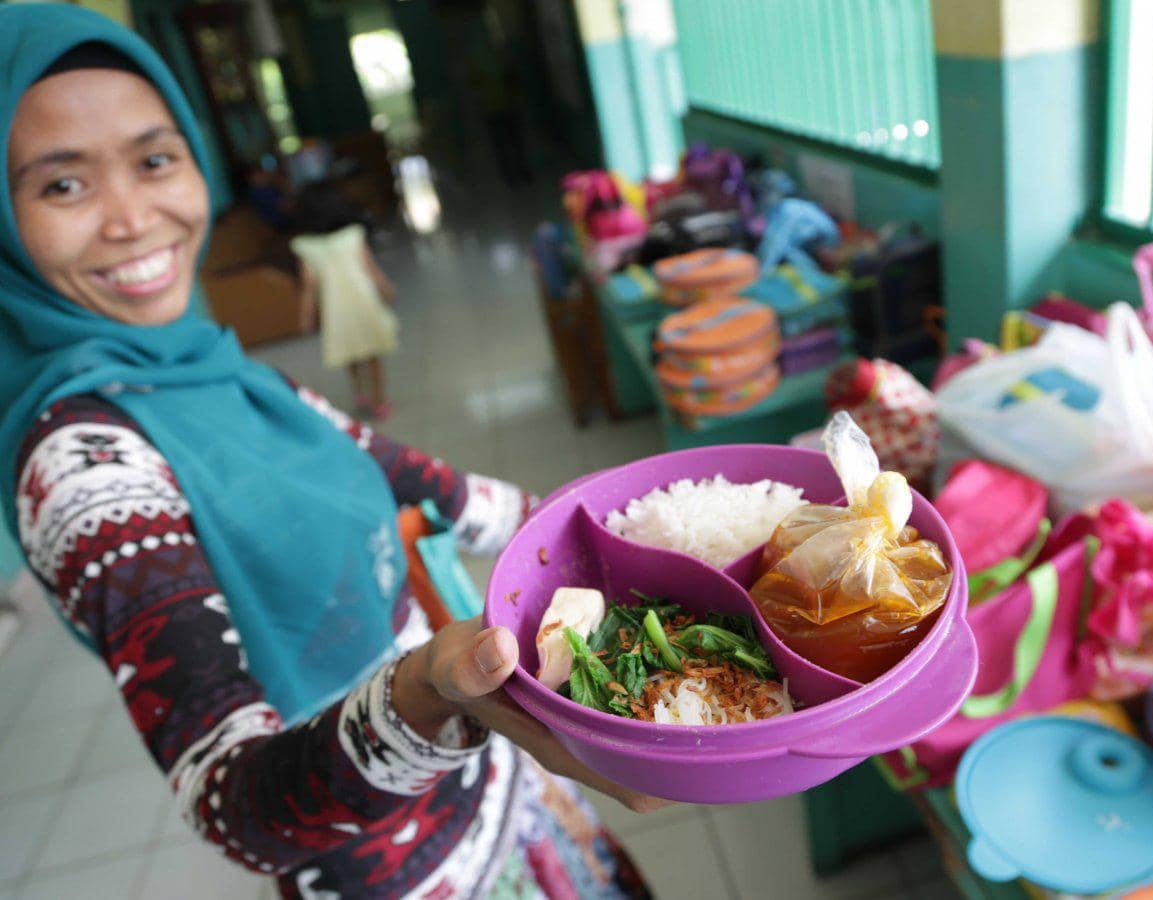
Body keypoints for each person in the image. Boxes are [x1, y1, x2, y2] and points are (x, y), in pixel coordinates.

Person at [0, 7, 662, 898]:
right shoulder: (83, 469)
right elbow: (233, 801)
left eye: (154, 161)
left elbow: (420, 480)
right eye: (63, 185)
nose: (132, 218)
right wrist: (428, 694)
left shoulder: (226, 373)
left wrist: (618, 527)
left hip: (499, 789)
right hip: (403, 869)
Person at [290, 181, 399, 420]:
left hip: (335, 310)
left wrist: (306, 316)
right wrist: (387, 290)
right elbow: (371, 269)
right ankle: (379, 399)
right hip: (363, 303)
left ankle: (360, 392)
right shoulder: (352, 235)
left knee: (349, 352)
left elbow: (309, 287)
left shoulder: (305, 246)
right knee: (372, 354)